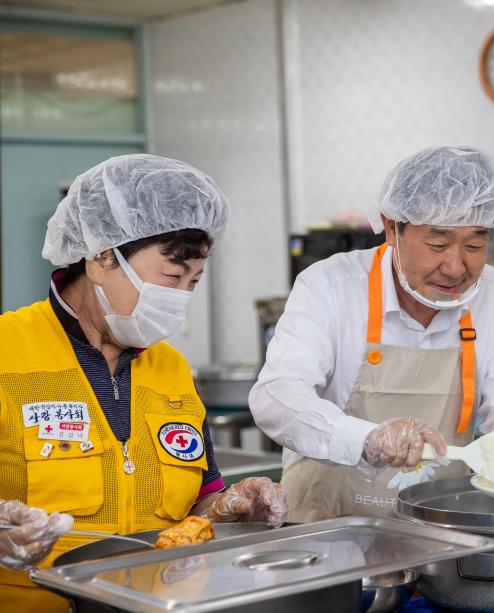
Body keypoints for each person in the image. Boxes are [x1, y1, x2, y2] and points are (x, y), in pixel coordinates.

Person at [0, 154, 288, 611]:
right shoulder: (8, 351)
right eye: (171, 277)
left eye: (193, 283)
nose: (179, 300)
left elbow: (198, 501)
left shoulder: (171, 369)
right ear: (100, 257)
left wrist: (225, 508)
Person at [250, 145, 494, 522]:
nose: (455, 266)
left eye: (475, 245)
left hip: (441, 526)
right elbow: (277, 395)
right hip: (327, 528)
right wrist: (366, 438)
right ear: (392, 227)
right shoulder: (329, 286)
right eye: (438, 244)